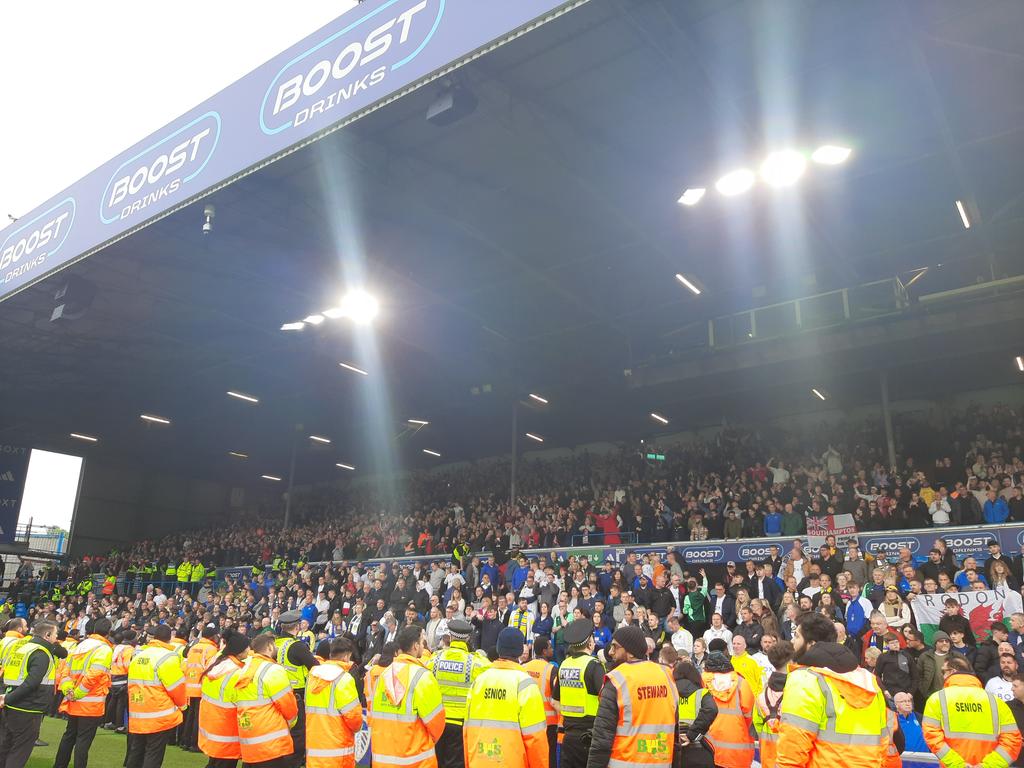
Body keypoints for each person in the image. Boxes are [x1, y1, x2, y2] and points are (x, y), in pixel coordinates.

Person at [776, 613, 890, 768]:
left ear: (811, 643)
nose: (792, 641)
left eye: (796, 636)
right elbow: (884, 740)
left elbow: (793, 745)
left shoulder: (805, 680)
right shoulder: (868, 679)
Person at [586, 624, 679, 768]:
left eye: (615, 647)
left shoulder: (617, 679)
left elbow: (601, 740)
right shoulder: (666, 675)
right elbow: (675, 733)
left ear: (630, 651)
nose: (610, 652)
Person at [463, 628, 548, 768]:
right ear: (521, 651)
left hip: (478, 762)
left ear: (498, 648)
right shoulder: (525, 684)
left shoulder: (479, 681)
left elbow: (466, 729)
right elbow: (536, 739)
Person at [922, 654, 1021, 768]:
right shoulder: (996, 702)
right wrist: (988, 765)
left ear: (951, 671)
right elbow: (1012, 741)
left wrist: (959, 764)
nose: (942, 676)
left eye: (943, 672)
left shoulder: (937, 699)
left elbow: (932, 738)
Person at [368, 625, 445, 768]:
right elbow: (437, 723)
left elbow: (374, 716)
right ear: (415, 646)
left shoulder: (384, 675)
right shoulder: (422, 676)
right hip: (415, 760)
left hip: (383, 758)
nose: (423, 645)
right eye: (422, 642)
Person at [226, 632, 299, 768]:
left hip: (248, 739)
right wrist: (290, 723)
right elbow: (289, 707)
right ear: (270, 647)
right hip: (272, 744)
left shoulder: (242, 668)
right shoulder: (273, 670)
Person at [0, 619, 63, 768]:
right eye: (55, 634)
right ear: (47, 635)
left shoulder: (22, 648)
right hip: (28, 708)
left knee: (7, 746)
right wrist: (7, 698)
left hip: (13, 706)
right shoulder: (41, 653)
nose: (56, 638)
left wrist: (7, 697)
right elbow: (31, 683)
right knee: (19, 751)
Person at [125, 624, 188, 768]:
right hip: (158, 714)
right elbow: (176, 687)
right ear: (169, 639)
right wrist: (183, 705)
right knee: (153, 754)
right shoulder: (168, 657)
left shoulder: (139, 655)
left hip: (138, 711)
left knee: (136, 751)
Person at [55, 617, 114, 768]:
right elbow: (94, 675)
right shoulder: (104, 649)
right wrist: (78, 693)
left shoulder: (80, 645)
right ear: (108, 632)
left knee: (69, 736)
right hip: (90, 703)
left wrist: (69, 691)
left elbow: (66, 671)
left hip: (73, 699)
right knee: (83, 741)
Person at [430, 619, 490, 768]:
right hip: (460, 724)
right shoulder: (476, 663)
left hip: (437, 721)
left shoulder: (435, 659)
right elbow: (491, 673)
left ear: (449, 637)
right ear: (468, 639)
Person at [305, 637, 363, 768]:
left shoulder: (312, 675)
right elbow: (354, 718)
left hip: (314, 744)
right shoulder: (344, 678)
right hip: (337, 748)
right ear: (347, 656)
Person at [555, 619, 604, 768]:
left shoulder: (564, 664)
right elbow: (606, 700)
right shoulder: (594, 665)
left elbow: (555, 701)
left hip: (569, 736)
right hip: (591, 736)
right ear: (590, 642)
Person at [198, 629, 250, 768]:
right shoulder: (236, 672)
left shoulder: (219, 663)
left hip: (213, 724)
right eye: (247, 647)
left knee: (215, 763)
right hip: (227, 729)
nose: (249, 650)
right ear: (239, 651)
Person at [274, 609, 319, 768]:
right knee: (298, 733)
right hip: (295, 695)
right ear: (297, 626)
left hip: (275, 693)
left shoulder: (275, 643)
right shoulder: (297, 646)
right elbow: (315, 666)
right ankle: (293, 762)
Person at [702, 639, 754, 768]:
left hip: (709, 744)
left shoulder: (703, 681)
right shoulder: (741, 682)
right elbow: (749, 715)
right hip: (736, 746)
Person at [753, 640, 794, 768]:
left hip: (767, 756)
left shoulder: (762, 695)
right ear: (790, 661)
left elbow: (757, 724)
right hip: (790, 757)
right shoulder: (796, 692)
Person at [522, 636, 559, 768]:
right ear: (544, 651)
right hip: (548, 724)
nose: (552, 649)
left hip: (526, 720)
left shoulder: (523, 667)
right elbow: (557, 698)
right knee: (549, 758)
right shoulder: (552, 670)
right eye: (550, 647)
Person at [673, 659, 717, 768]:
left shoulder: (669, 691)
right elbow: (711, 709)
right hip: (699, 747)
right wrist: (692, 734)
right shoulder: (702, 693)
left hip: (673, 747)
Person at [182, 625, 219, 752]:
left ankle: (185, 741)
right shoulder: (211, 649)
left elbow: (187, 665)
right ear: (213, 636)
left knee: (191, 714)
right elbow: (211, 669)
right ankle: (195, 743)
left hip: (190, 685)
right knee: (199, 716)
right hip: (201, 686)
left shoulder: (194, 647)